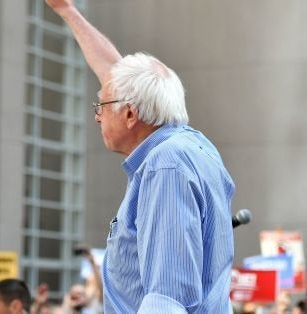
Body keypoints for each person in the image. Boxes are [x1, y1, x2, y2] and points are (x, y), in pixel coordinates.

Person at [45, 0, 236, 312]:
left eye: (101, 107)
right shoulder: (191, 147)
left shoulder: (167, 165)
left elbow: (168, 298)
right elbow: (113, 77)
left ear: (131, 114)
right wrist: (67, 10)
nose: (96, 117)